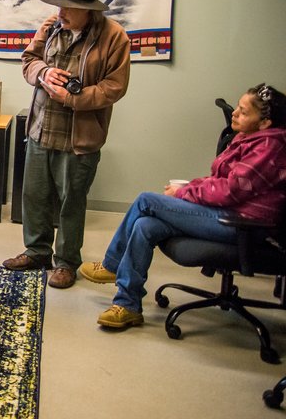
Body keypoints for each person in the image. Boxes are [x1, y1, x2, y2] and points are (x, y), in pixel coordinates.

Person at [80, 84, 286, 329]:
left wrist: (185, 192)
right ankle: (128, 305)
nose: (234, 114)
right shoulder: (248, 139)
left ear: (265, 122)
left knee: (146, 201)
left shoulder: (268, 147)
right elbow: (221, 181)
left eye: (243, 112)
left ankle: (112, 265)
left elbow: (230, 191)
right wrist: (193, 187)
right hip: (229, 215)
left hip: (243, 224)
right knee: (146, 225)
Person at [3, 0, 130, 289]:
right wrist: (43, 73)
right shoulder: (50, 27)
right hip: (40, 128)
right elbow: (28, 60)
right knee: (34, 196)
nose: (59, 13)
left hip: (79, 137)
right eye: (58, 6)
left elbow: (115, 87)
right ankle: (37, 252)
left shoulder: (114, 37)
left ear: (87, 9)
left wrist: (75, 98)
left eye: (67, 7)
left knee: (71, 202)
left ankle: (66, 263)